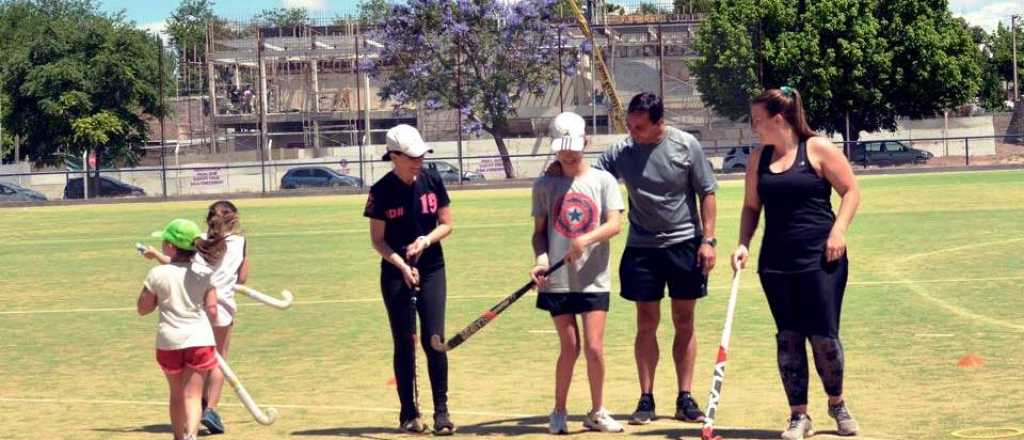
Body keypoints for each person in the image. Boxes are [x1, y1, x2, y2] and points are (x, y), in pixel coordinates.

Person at [731, 87, 861, 440]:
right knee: (788, 338)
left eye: (757, 120)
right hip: (776, 261)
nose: (753, 126)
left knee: (823, 336)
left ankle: (837, 403)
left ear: (779, 119)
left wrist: (839, 231)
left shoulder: (817, 148)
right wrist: (743, 243)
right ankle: (798, 415)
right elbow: (750, 207)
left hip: (822, 258)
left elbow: (851, 191)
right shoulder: (758, 158)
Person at [591, 92, 719, 424]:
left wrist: (708, 240)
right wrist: (560, 168)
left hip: (683, 245)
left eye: (639, 127)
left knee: (684, 321)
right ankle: (646, 398)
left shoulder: (685, 145)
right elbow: (590, 176)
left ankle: (685, 397)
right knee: (646, 323)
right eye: (630, 126)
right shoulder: (623, 150)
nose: (632, 132)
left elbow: (707, 192)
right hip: (642, 249)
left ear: (659, 122)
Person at [531, 112, 625, 434]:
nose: (568, 154)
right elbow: (539, 232)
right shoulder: (544, 184)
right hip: (556, 280)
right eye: (562, 149)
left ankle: (597, 411)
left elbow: (615, 224)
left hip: (593, 278)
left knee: (595, 348)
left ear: (586, 142)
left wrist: (585, 238)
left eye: (573, 147)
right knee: (569, 346)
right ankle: (558, 410)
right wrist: (542, 259)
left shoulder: (604, 181)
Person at [365, 124, 455, 435]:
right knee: (404, 342)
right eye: (412, 156)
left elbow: (446, 224)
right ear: (394, 156)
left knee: (434, 340)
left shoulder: (432, 180)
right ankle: (408, 412)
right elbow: (378, 240)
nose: (419, 161)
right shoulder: (381, 191)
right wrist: (401, 263)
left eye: (421, 155)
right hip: (395, 272)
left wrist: (426, 241)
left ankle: (442, 412)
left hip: (431, 268)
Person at [142, 201, 248, 435]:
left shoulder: (197, 239)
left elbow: (179, 266)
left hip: (192, 305)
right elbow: (243, 277)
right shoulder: (240, 242)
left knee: (189, 373)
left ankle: (192, 414)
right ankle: (210, 408)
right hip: (221, 305)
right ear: (235, 220)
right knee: (219, 359)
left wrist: (156, 255)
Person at [136, 219, 224, 440]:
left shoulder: (157, 274)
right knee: (193, 395)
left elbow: (143, 308)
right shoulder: (204, 273)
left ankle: (178, 436)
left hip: (169, 341)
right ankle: (192, 434)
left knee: (176, 394)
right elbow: (212, 309)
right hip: (199, 339)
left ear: (171, 246)